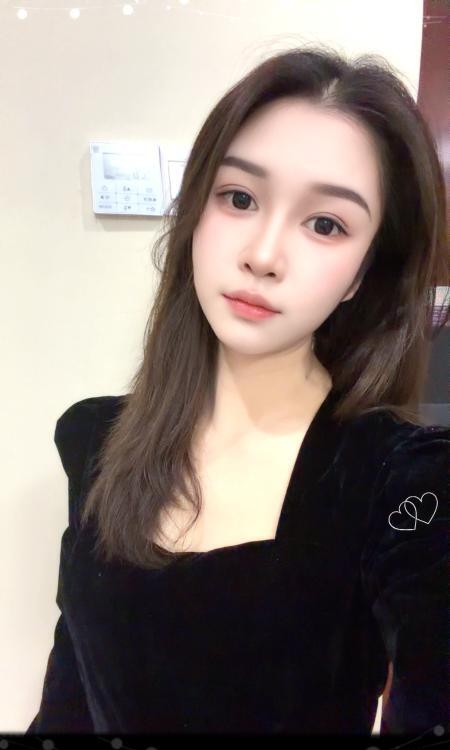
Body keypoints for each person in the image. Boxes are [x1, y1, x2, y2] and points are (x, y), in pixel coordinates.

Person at [26, 45, 449, 735]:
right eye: (240, 198)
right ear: (197, 211)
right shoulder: (95, 440)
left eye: (325, 224)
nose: (263, 254)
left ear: (363, 273)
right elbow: (70, 691)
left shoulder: (402, 478)